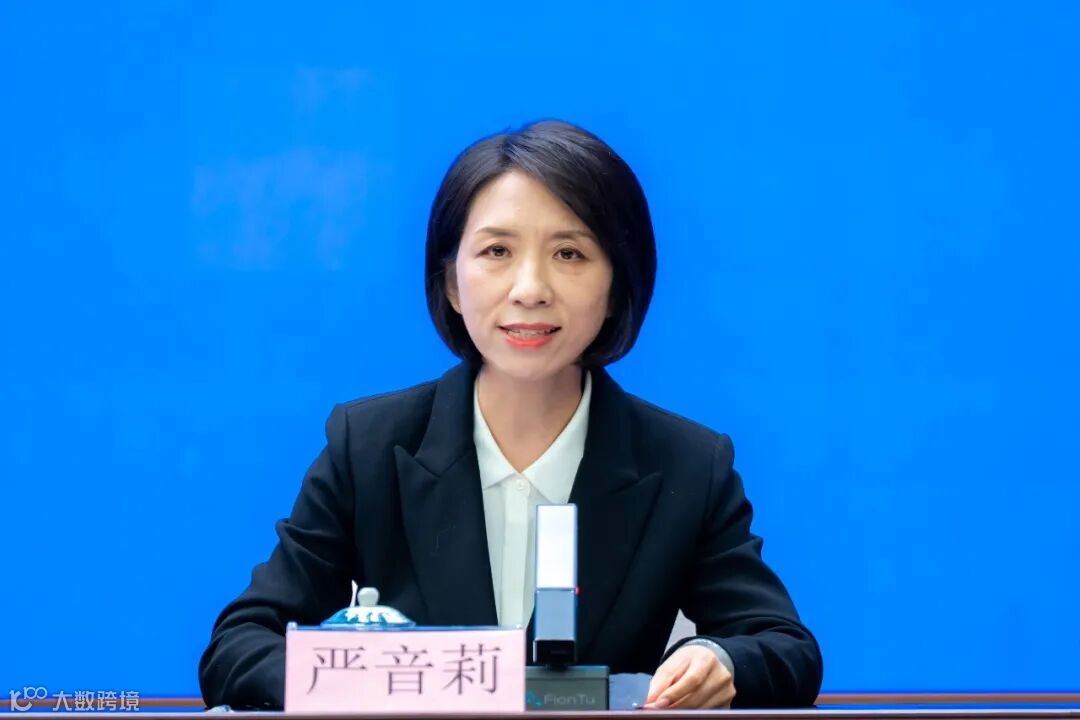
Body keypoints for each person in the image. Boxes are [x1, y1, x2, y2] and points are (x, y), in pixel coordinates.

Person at [198, 120, 823, 710]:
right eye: (497, 250)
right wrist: (373, 681)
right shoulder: (369, 447)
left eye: (569, 254)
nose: (530, 289)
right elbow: (239, 647)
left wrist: (720, 659)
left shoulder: (687, 464)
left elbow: (783, 646)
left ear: (616, 286)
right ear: (451, 282)